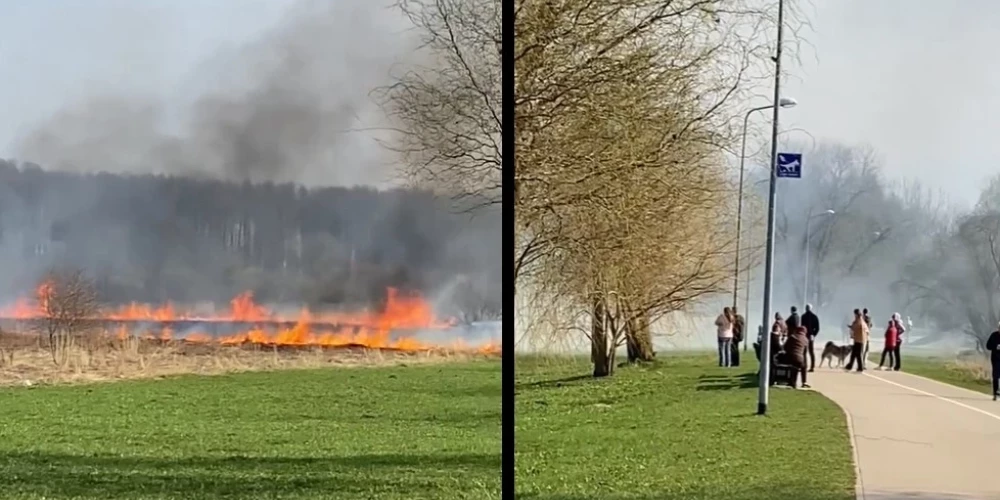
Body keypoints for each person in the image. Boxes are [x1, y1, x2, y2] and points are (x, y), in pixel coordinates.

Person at [801, 303, 820, 372]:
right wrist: (813, 334)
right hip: (810, 336)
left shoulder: (803, 316)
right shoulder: (814, 316)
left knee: (805, 352)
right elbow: (817, 328)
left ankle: (805, 366)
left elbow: (802, 327)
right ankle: (812, 367)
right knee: (810, 352)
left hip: (805, 335)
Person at [984, 323, 1000, 401]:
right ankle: (995, 393)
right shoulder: (994, 335)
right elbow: (988, 346)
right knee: (996, 376)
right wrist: (996, 346)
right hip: (996, 359)